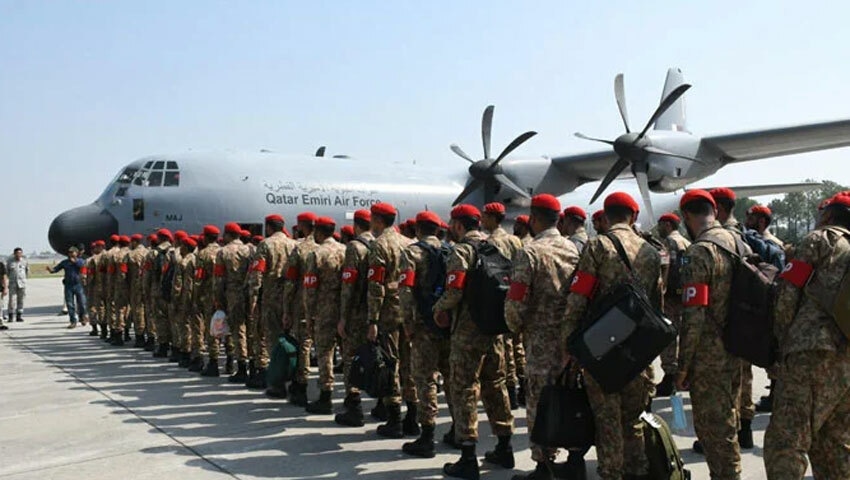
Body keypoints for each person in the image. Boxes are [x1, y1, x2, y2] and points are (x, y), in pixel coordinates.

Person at [564, 192, 661, 480]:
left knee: (607, 421)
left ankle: (612, 474)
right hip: (638, 348)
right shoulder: (651, 252)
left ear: (605, 217)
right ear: (633, 217)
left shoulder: (598, 246)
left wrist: (568, 343)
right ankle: (638, 471)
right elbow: (657, 304)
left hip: (601, 345)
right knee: (632, 420)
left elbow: (578, 297)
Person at [763, 191, 850, 480]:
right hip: (846, 360)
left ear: (827, 214)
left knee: (786, 443)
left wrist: (780, 343)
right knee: (836, 443)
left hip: (810, 351)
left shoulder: (820, 240)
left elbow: (787, 296)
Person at [506, 194, 583, 480]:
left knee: (539, 403)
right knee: (571, 398)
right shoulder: (573, 249)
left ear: (533, 219)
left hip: (540, 341)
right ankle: (575, 459)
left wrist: (514, 327)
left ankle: (543, 466)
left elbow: (516, 302)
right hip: (571, 340)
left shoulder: (529, 252)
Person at [436, 204, 515, 480]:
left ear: (459, 225)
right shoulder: (497, 247)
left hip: (468, 333)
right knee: (496, 386)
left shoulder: (462, 251)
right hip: (494, 331)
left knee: (465, 389)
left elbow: (454, 290)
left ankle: (468, 456)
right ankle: (505, 447)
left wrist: (438, 308)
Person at [675, 189, 743, 480]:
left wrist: (683, 366)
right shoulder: (735, 242)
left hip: (709, 355)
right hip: (736, 345)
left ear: (687, 216)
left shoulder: (700, 251)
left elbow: (694, 315)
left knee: (714, 430)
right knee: (728, 422)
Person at [399, 210, 453, 458]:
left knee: (425, 379)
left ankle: (427, 435)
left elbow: (406, 290)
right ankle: (458, 429)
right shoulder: (450, 251)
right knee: (452, 379)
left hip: (423, 325)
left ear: (419, 229)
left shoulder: (412, 253)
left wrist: (408, 322)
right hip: (447, 323)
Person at [364, 202, 419, 438]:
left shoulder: (379, 246)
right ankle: (413, 417)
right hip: (407, 312)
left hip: (387, 314)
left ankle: (394, 417)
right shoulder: (409, 243)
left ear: (377, 220)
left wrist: (372, 320)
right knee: (409, 366)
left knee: (389, 365)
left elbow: (376, 286)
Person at [246, 215, 298, 391]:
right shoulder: (294, 244)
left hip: (270, 298)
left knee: (271, 339)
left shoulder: (265, 245)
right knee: (290, 339)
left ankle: (275, 380)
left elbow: (257, 274)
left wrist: (253, 299)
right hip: (289, 298)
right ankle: (292, 377)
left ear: (268, 228)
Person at [482, 202, 524, 411]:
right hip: (514, 296)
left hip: (496, 299)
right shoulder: (515, 241)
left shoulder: (488, 243)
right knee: (513, 346)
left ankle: (509, 392)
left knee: (502, 348)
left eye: (484, 216)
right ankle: (515, 389)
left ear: (491, 218)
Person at [335, 209, 375, 426]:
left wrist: (343, 317)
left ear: (356, 226)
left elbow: (348, 285)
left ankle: (354, 406)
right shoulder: (382, 244)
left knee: (351, 358)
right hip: (378, 312)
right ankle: (388, 407)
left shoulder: (355, 247)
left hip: (358, 312)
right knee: (382, 358)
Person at [303, 216, 347, 414]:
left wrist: (309, 314)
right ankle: (350, 395)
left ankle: (326, 395)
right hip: (344, 308)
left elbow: (310, 287)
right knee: (346, 352)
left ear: (318, 233)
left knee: (324, 353)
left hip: (324, 309)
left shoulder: (316, 254)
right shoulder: (346, 251)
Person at [282, 212, 320, 406]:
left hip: (303, 302)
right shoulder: (330, 247)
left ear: (301, 226)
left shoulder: (300, 249)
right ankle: (326, 390)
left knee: (304, 344)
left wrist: (287, 309)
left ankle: (301, 385)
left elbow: (290, 281)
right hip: (324, 305)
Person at [655, 213, 691, 397]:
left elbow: (664, 267)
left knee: (668, 336)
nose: (658, 228)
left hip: (670, 297)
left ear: (668, 225)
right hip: (685, 295)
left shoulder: (667, 243)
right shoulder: (686, 242)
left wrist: (661, 291)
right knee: (684, 335)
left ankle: (669, 375)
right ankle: (684, 374)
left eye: (660, 224)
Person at [215, 223, 252, 382]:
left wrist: (218, 299)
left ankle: (241, 366)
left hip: (232, 294)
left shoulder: (223, 252)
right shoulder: (250, 250)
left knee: (237, 330)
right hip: (248, 293)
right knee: (250, 329)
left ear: (228, 234)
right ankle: (254, 363)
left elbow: (218, 279)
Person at [45, 246, 89, 328]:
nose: (71, 254)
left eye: (73, 252)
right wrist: (50, 270)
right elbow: (56, 269)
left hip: (78, 285)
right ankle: (73, 321)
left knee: (82, 303)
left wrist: (75, 262)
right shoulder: (65, 262)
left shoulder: (81, 261)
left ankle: (82, 317)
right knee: (70, 304)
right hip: (68, 285)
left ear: (77, 253)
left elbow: (83, 268)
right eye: (69, 252)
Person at [7, 247, 29, 322]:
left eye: (20, 253)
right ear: (14, 254)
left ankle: (19, 315)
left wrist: (24, 280)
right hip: (13, 283)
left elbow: (26, 271)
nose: (19, 254)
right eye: (17, 253)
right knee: (12, 300)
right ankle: (10, 315)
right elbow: (7, 272)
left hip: (22, 283)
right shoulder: (10, 261)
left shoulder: (24, 261)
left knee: (21, 300)